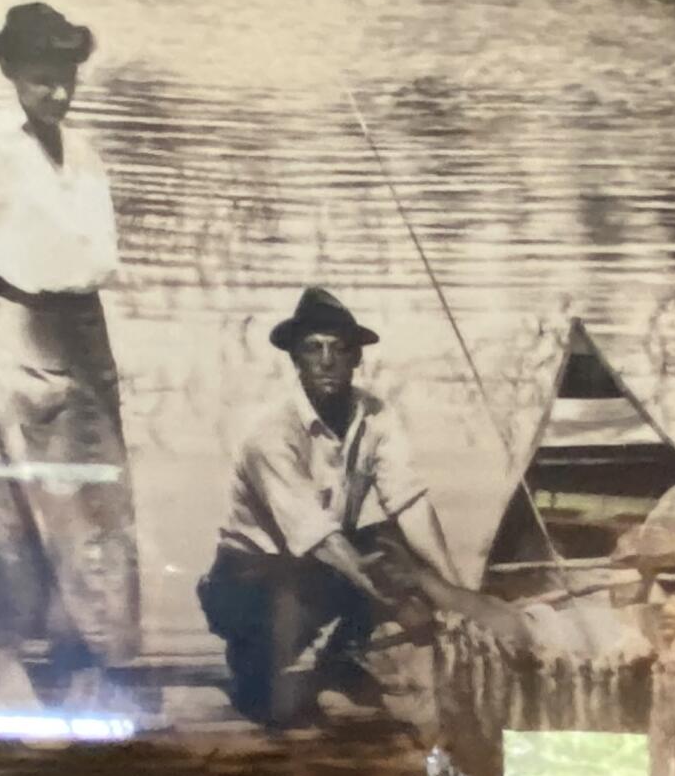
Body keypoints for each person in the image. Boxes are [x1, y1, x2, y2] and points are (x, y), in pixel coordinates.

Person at [0, 2, 140, 707]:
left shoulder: (80, 151)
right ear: (14, 72)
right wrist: (12, 320)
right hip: (20, 324)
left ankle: (83, 645)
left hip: (85, 329)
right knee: (13, 496)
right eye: (43, 78)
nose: (57, 92)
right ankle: (5, 656)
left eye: (67, 79)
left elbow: (92, 251)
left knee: (93, 493)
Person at [197, 287, 524, 725]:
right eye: (313, 349)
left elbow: (408, 502)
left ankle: (340, 663)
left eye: (339, 348)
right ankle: (255, 660)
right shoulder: (270, 435)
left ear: (357, 359)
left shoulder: (374, 415)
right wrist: (396, 599)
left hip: (318, 567)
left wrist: (454, 592)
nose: (327, 360)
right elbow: (319, 539)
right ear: (295, 359)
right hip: (251, 579)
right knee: (267, 703)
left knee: (390, 544)